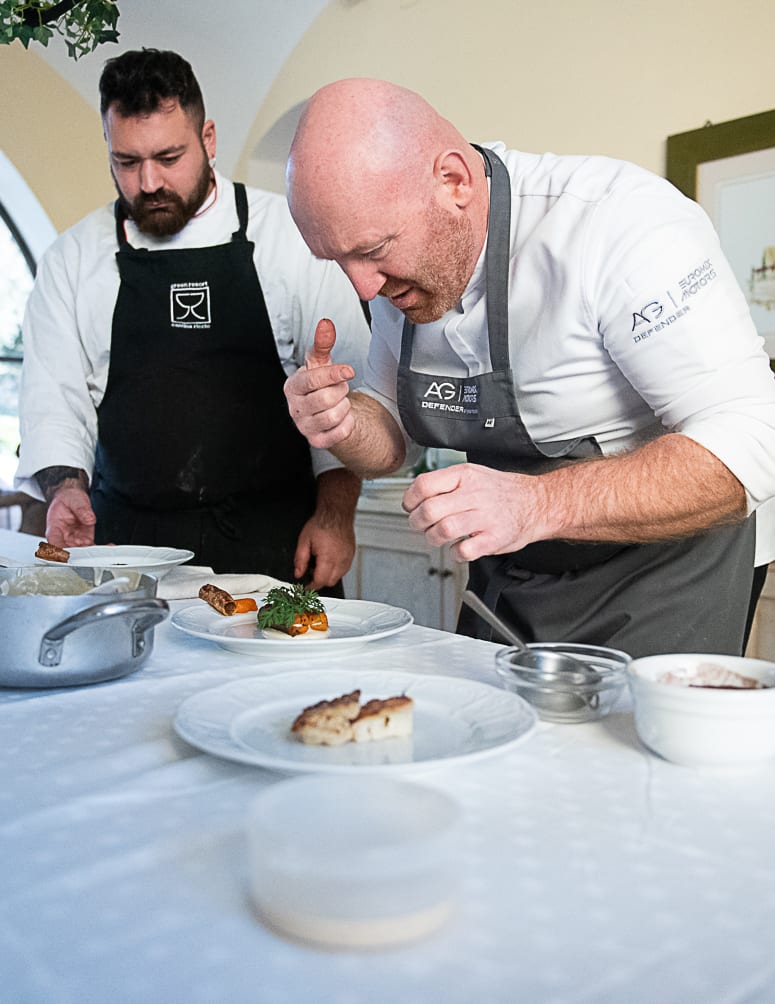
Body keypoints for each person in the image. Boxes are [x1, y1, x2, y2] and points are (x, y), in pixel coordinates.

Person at [282, 77, 775, 656]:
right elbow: (394, 441)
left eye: (372, 250)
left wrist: (536, 504)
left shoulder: (618, 222)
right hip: (515, 577)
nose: (362, 285)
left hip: (666, 575)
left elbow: (752, 439)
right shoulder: (401, 278)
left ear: (453, 181)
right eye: (337, 260)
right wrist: (344, 425)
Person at [15, 50, 371, 590]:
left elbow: (346, 394)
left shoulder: (288, 237)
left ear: (207, 139)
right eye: (127, 162)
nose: (149, 181)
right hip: (129, 554)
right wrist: (65, 489)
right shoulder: (73, 260)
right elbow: (54, 400)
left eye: (168, 156)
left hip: (275, 544)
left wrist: (335, 515)